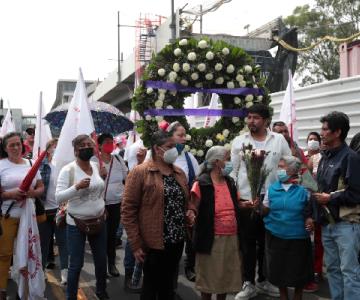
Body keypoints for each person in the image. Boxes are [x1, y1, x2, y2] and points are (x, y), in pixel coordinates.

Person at [121, 130, 194, 300]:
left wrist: (191, 211)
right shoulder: (140, 172)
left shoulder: (179, 172)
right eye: (170, 147)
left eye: (174, 146)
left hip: (176, 240)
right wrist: (135, 243)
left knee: (168, 286)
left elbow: (187, 200)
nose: (174, 150)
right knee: (151, 286)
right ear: (157, 149)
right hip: (153, 242)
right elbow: (128, 209)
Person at [232, 104, 291, 299]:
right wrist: (239, 198)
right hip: (247, 200)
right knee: (247, 244)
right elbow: (234, 171)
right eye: (249, 117)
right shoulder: (239, 141)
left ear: (266, 120)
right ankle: (248, 282)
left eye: (255, 117)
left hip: (271, 201)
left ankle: (264, 280)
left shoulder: (278, 139)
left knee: (268, 243)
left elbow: (288, 163)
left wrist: (287, 179)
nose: (251, 121)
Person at [191, 146, 255, 300]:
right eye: (227, 158)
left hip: (231, 237)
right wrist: (191, 214)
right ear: (217, 162)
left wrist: (245, 205)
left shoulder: (230, 182)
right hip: (210, 238)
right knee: (208, 279)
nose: (230, 162)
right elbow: (193, 207)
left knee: (226, 279)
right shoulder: (201, 183)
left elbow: (236, 203)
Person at [313, 111, 360, 300]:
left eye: (325, 129)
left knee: (349, 272)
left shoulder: (351, 157)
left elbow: (355, 194)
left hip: (347, 225)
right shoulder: (324, 157)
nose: (321, 133)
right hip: (327, 224)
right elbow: (320, 189)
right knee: (332, 269)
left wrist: (329, 198)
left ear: (337, 132)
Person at [55, 134, 108, 300]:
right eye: (83, 145)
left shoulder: (95, 165)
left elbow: (98, 190)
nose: (87, 147)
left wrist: (102, 178)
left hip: (99, 220)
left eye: (89, 144)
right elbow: (59, 197)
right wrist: (76, 187)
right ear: (76, 150)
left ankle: (101, 291)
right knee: (76, 265)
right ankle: (71, 296)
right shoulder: (68, 170)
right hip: (76, 223)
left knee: (101, 261)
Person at [262, 156, 314, 300]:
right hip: (276, 236)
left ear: (292, 170)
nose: (279, 170)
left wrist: (310, 219)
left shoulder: (304, 189)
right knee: (279, 273)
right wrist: (258, 206)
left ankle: (298, 297)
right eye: (278, 166)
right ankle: (283, 297)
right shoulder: (272, 189)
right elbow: (265, 210)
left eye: (282, 166)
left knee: (299, 274)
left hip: (298, 238)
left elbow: (311, 209)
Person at [0, 132, 44, 300]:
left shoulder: (31, 163)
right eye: (12, 145)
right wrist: (10, 194)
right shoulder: (1, 165)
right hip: (8, 215)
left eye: (18, 144)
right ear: (5, 148)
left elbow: (41, 187)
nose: (16, 147)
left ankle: (24, 290)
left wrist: (33, 192)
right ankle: (2, 290)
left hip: (30, 217)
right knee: (4, 255)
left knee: (28, 253)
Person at [163, 121, 200, 282]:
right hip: (166, 208)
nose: (184, 138)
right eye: (180, 135)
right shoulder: (160, 156)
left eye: (185, 135)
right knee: (169, 243)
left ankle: (189, 266)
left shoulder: (189, 157)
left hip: (186, 206)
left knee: (190, 239)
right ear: (170, 137)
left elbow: (197, 180)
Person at [96, 133, 128, 277]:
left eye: (111, 141)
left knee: (112, 235)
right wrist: (99, 174)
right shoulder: (94, 161)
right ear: (100, 146)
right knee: (100, 237)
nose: (110, 144)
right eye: (106, 142)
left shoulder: (118, 159)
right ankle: (101, 267)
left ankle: (111, 264)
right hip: (99, 205)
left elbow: (126, 178)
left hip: (116, 204)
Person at [38, 138, 69, 285]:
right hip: (44, 211)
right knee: (43, 244)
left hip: (60, 211)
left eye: (58, 147)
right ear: (48, 149)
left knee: (63, 243)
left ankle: (65, 272)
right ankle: (41, 270)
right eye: (53, 147)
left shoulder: (64, 166)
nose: (56, 149)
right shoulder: (41, 166)